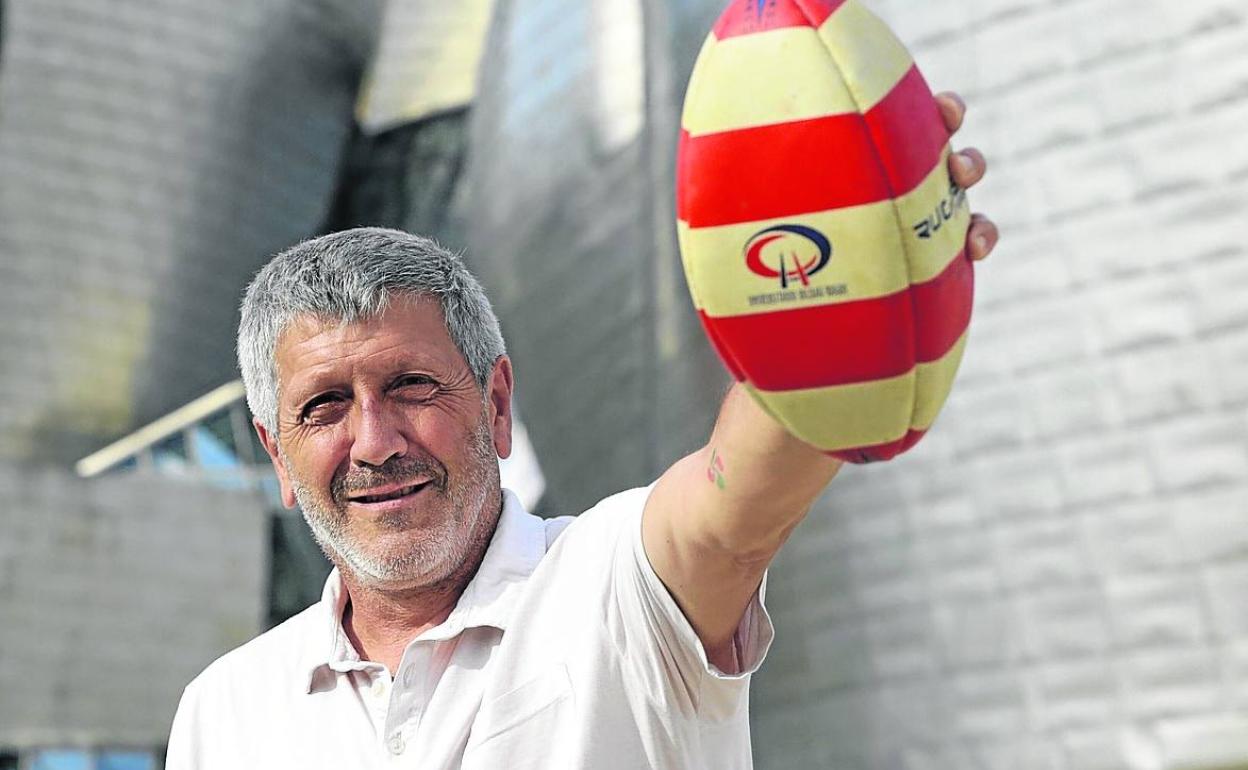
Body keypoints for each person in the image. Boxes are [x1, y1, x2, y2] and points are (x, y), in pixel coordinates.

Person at [165, 94, 997, 769]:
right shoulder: (224, 709)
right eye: (325, 407)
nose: (376, 440)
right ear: (277, 454)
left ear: (495, 407)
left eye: (411, 386)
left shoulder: (615, 587)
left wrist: (863, 260)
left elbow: (751, 480)